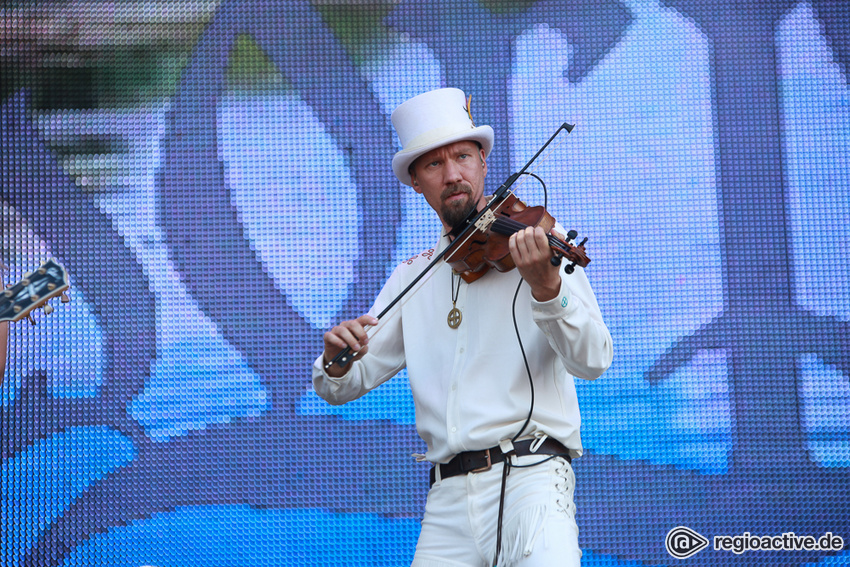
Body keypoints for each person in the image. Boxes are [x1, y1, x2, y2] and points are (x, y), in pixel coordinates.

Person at [313, 88, 613, 567]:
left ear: (483, 163)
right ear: (416, 182)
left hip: (532, 479)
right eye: (433, 165)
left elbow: (594, 360)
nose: (452, 175)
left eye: (462, 157)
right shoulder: (413, 275)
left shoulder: (539, 246)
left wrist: (547, 290)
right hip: (447, 500)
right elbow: (341, 384)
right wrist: (337, 357)